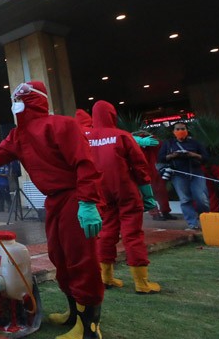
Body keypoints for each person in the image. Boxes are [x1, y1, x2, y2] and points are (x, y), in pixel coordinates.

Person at [0, 81, 104, 339]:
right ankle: (74, 314)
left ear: (33, 101)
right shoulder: (18, 136)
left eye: (21, 98)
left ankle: (90, 328)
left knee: (81, 259)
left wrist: (87, 202)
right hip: (54, 201)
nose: (16, 103)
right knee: (60, 257)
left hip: (75, 197)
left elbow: (84, 162)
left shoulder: (62, 125)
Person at [84, 101, 161, 294]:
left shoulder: (86, 137)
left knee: (107, 232)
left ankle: (105, 277)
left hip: (101, 192)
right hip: (127, 191)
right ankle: (142, 283)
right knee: (132, 234)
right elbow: (140, 168)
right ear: (112, 115)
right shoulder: (122, 136)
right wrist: (148, 196)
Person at [157, 122, 210, 231]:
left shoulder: (195, 143)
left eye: (183, 128)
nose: (180, 131)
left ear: (187, 130)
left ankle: (206, 220)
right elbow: (160, 158)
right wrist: (173, 155)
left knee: (201, 198)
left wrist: (192, 155)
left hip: (196, 173)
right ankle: (192, 224)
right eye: (177, 129)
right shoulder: (168, 143)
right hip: (178, 175)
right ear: (173, 132)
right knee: (185, 199)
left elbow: (205, 157)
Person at [132, 130, 177, 221]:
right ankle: (159, 213)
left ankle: (161, 212)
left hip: (151, 170)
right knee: (154, 193)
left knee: (155, 193)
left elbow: (160, 146)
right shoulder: (133, 142)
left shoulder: (150, 141)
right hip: (146, 170)